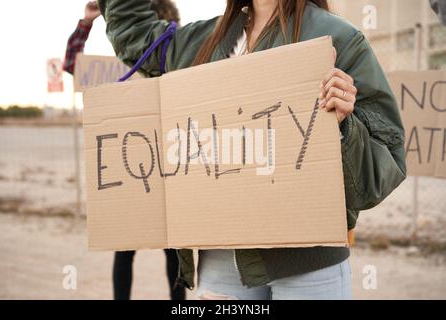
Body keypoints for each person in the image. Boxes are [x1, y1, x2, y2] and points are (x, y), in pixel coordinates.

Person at [97, 0, 407, 300]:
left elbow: (382, 166)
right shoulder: (201, 41)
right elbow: (132, 31)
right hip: (221, 261)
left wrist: (343, 126)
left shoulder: (340, 39)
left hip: (309, 265)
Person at [63, 1, 185, 300]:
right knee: (156, 251)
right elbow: (74, 67)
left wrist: (87, 23)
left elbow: (71, 63)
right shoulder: (124, 67)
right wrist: (87, 23)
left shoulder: (174, 58)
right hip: (146, 169)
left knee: (167, 252)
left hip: (150, 168)